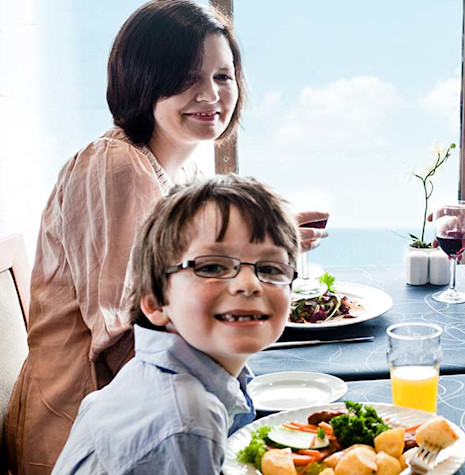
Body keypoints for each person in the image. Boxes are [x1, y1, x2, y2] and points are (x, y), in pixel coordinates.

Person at [3, 2, 325, 472]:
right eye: (185, 78)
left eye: (223, 76)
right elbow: (127, 334)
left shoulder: (185, 165)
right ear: (141, 80)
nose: (210, 95)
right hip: (97, 429)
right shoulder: (115, 167)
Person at [53, 174, 299, 474]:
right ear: (156, 303)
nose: (249, 284)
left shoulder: (161, 376)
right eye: (211, 266)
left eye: (271, 268)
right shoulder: (187, 422)